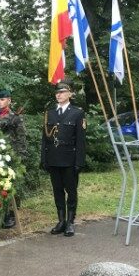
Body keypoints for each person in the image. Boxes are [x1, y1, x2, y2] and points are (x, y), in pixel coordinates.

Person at [40, 80, 86, 237]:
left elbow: (81, 140)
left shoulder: (77, 113)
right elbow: (44, 139)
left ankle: (70, 222)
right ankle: (61, 221)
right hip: (53, 158)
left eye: (62, 92)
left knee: (71, 191)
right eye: (57, 93)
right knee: (57, 190)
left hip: (69, 159)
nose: (58, 95)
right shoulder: (50, 113)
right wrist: (44, 159)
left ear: (70, 94)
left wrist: (79, 161)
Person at [0, 89, 28, 228]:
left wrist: (20, 157)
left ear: (9, 100)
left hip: (12, 156)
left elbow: (22, 138)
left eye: (2, 99)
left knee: (10, 185)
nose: (0, 102)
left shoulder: (16, 117)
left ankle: (10, 214)